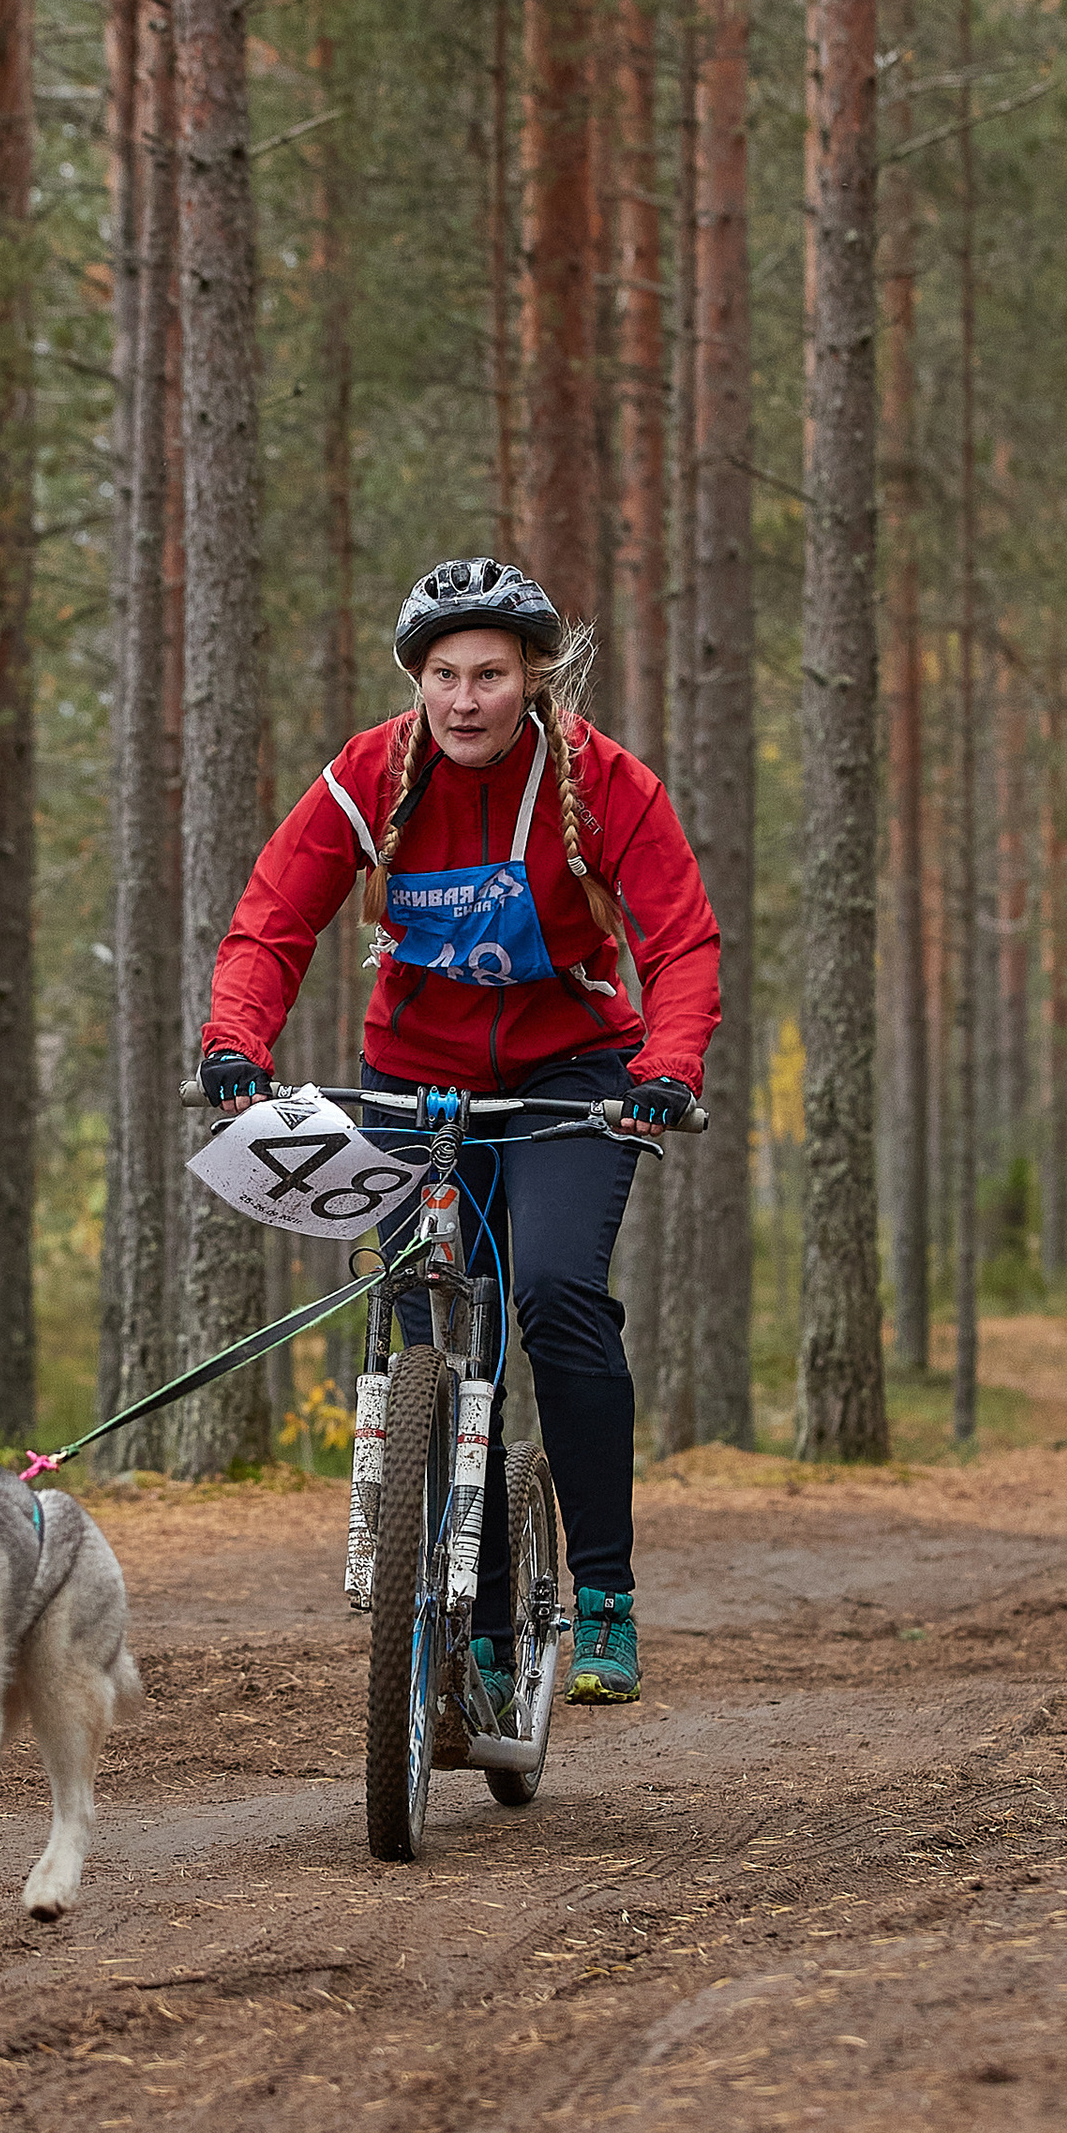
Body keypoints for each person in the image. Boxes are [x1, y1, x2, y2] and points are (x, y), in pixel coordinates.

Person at [197, 557, 721, 1706]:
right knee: (435, 1329)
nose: (465, 699)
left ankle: (604, 1592)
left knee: (553, 1292)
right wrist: (235, 1040)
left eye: (489, 674)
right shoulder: (370, 773)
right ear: (417, 681)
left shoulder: (602, 782)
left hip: (568, 1081)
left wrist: (666, 1067)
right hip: (414, 1081)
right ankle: (472, 1623)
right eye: (443, 675)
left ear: (532, 677)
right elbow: (272, 920)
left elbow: (680, 941)